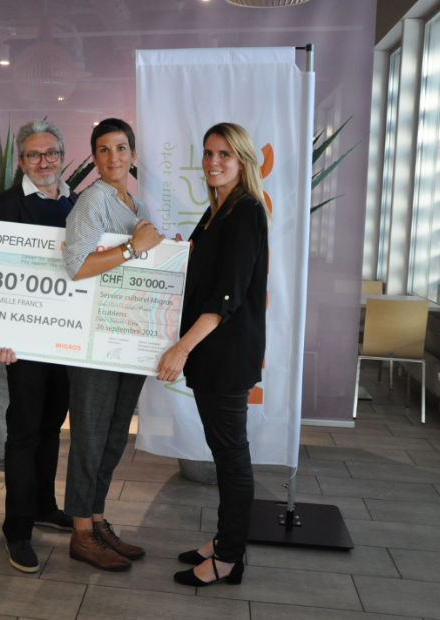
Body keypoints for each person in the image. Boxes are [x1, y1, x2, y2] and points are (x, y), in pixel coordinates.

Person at [155, 122, 270, 587]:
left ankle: (229, 558)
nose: (213, 162)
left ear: (242, 161)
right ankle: (225, 540)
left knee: (231, 455)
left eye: (224, 154)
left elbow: (227, 296)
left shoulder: (245, 210)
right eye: (207, 153)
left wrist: (181, 348)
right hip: (215, 353)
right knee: (225, 453)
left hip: (225, 353)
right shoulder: (217, 209)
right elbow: (204, 271)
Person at [62, 118, 165, 572]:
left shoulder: (134, 203)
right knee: (90, 435)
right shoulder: (94, 199)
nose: (113, 157)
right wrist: (134, 249)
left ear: (133, 154)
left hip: (126, 335)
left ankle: (98, 520)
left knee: (114, 435)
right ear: (95, 157)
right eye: (103, 150)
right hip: (95, 340)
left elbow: (139, 261)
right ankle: (81, 532)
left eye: (121, 148)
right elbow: (77, 266)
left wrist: (160, 252)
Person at [0, 119, 76, 573]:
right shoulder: (3, 206)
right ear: (21, 161)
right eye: (34, 155)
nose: (44, 162)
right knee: (23, 433)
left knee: (51, 427)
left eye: (51, 153)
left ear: (62, 156)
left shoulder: (77, 203)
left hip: (66, 339)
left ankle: (43, 505)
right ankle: (17, 530)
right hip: (22, 343)